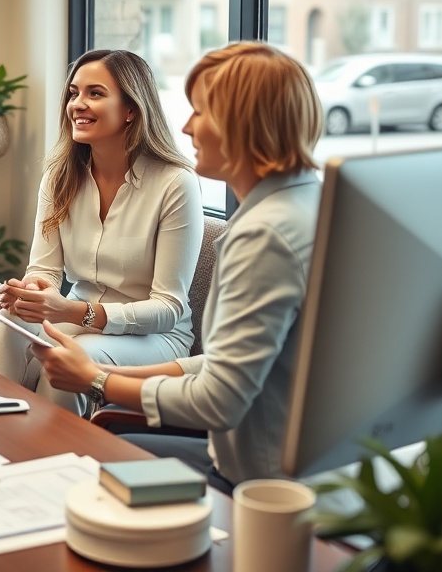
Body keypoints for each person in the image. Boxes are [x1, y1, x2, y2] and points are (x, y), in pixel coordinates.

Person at [32, 41, 324, 491]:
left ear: (244, 123)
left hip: (255, 480)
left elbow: (219, 398)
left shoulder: (262, 235)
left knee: (92, 454)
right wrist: (109, 376)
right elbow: (225, 366)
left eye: (201, 112)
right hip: (278, 459)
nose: (187, 127)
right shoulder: (308, 203)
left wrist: (96, 379)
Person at [0, 49, 203, 415]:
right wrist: (32, 293)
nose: (77, 105)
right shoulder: (60, 176)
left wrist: (74, 311)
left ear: (131, 109)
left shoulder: (175, 184)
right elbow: (44, 271)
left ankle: (56, 457)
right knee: (9, 322)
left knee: (69, 359)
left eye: (95, 94)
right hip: (76, 318)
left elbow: (168, 308)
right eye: (74, 93)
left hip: (154, 337)